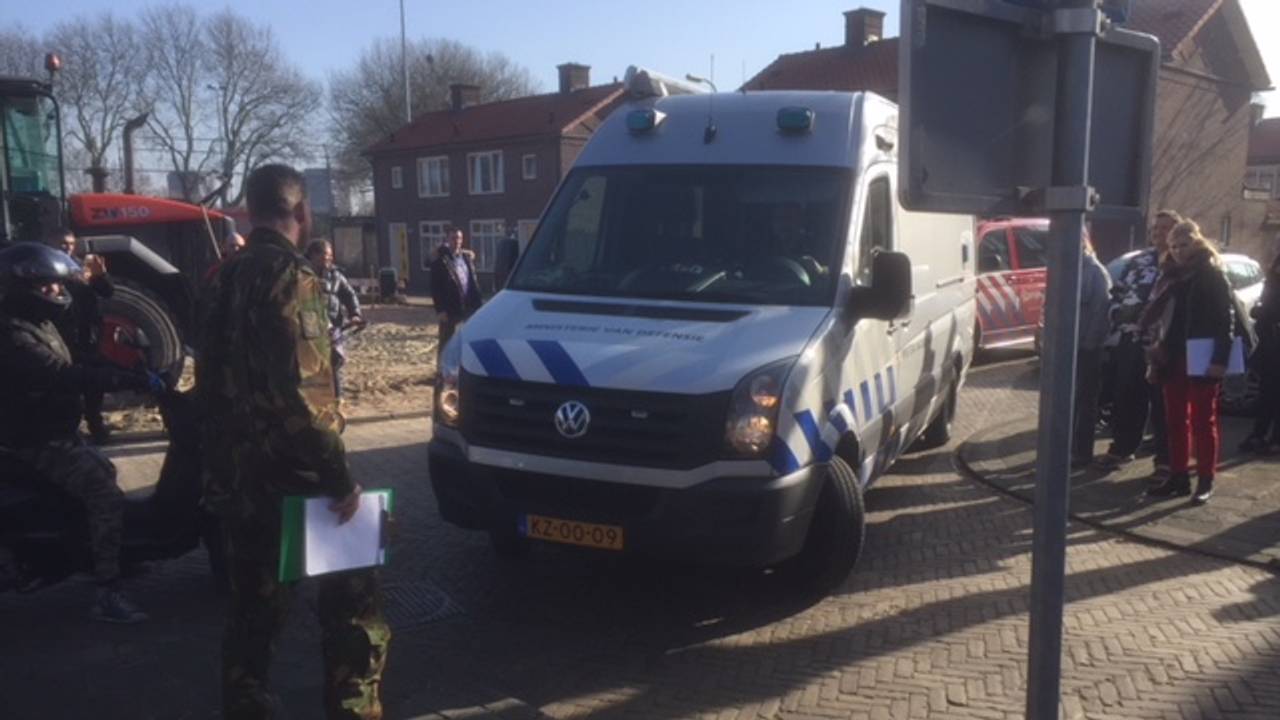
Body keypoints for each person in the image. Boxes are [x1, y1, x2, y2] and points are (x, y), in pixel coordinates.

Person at [198, 164, 389, 719]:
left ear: (248, 211)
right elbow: (302, 398)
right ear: (302, 214)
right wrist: (340, 479)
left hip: (239, 479)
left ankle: (246, 705)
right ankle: (354, 708)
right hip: (305, 484)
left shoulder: (220, 279)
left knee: (252, 612)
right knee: (356, 609)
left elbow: (208, 384)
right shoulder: (294, 279)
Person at [0, 242, 153, 623]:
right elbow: (62, 374)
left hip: (55, 435)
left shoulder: (39, 325)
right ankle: (107, 589)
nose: (57, 291)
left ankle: (94, 553)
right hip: (37, 443)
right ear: (23, 288)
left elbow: (78, 359)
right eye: (47, 285)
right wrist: (122, 378)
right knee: (103, 494)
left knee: (104, 471)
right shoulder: (13, 337)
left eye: (57, 283)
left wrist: (129, 369)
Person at [1144, 220, 1234, 503]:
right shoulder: (1170, 277)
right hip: (1172, 355)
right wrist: (1154, 356)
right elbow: (1160, 322)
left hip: (1202, 352)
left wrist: (1220, 359)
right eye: (1173, 246)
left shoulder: (1211, 275)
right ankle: (1178, 476)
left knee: (1202, 420)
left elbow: (1225, 321)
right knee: (1174, 420)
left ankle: (1205, 479)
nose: (1179, 251)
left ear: (1196, 242)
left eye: (1184, 245)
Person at [1097, 209, 1182, 475]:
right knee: (1127, 395)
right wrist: (1118, 315)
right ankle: (1123, 447)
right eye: (1156, 229)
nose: (1158, 233)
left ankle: (1165, 458)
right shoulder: (1139, 261)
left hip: (1163, 344)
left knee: (1162, 403)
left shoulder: (1181, 263)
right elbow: (1118, 291)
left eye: (1165, 228)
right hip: (1131, 339)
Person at [52, 228, 116, 444]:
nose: (67, 247)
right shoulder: (48, 267)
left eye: (70, 243)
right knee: (65, 383)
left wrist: (101, 276)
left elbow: (107, 292)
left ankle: (96, 426)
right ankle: (68, 429)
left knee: (93, 384)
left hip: (88, 335)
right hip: (63, 336)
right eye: (62, 243)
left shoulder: (83, 266)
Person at [306, 239, 365, 403]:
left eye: (330, 256)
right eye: (325, 255)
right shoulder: (302, 275)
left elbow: (349, 294)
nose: (329, 259)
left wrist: (355, 314)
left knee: (336, 362)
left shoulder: (336, 275)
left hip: (334, 327)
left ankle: (338, 400)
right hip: (310, 329)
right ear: (313, 255)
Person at [1072, 234, 1112, 468]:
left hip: (1086, 349)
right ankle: (1062, 446)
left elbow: (1101, 312)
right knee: (1065, 402)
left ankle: (1081, 452)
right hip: (1065, 351)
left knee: (1084, 401)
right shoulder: (1062, 271)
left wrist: (1089, 344)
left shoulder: (1096, 273)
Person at [1240, 238, 1280, 454]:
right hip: (1269, 343)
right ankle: (1259, 434)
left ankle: (1275, 438)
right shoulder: (1272, 276)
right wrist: (1259, 311)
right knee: (1266, 392)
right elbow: (1265, 303)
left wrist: (1264, 313)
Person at [429, 226, 482, 361]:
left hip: (468, 306)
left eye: (459, 238)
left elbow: (472, 281)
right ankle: (441, 373)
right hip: (449, 307)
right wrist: (440, 309)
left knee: (466, 341)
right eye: (453, 238)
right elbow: (435, 287)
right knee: (446, 341)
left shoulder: (466, 258)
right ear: (447, 239)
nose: (457, 241)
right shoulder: (441, 261)